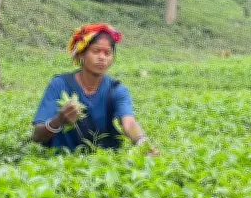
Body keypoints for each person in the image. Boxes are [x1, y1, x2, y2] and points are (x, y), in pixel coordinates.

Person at [32, 23, 158, 154]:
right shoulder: (59, 85)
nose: (102, 57)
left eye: (107, 53)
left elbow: (129, 123)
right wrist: (58, 120)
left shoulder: (117, 90)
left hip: (102, 161)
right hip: (61, 161)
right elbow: (37, 136)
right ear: (81, 54)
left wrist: (143, 143)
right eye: (96, 51)